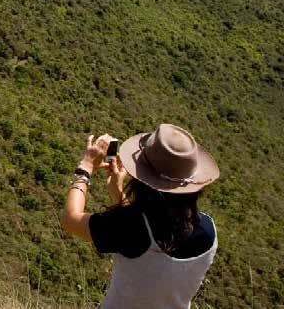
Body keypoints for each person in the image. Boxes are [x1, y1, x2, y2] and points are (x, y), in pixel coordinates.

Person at [61, 124, 220, 309]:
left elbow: (70, 220)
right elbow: (148, 235)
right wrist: (118, 195)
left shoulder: (129, 226)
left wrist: (85, 167)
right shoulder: (209, 230)